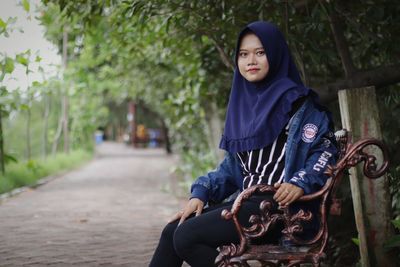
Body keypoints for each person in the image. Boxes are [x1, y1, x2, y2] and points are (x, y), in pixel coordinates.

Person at [149, 21, 338, 267]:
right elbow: (231, 169)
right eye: (244, 54)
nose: (251, 60)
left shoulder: (299, 106)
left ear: (276, 55)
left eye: (260, 53)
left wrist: (299, 182)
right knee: (172, 230)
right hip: (247, 206)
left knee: (186, 237)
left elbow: (325, 151)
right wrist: (200, 193)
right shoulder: (244, 107)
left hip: (280, 211)